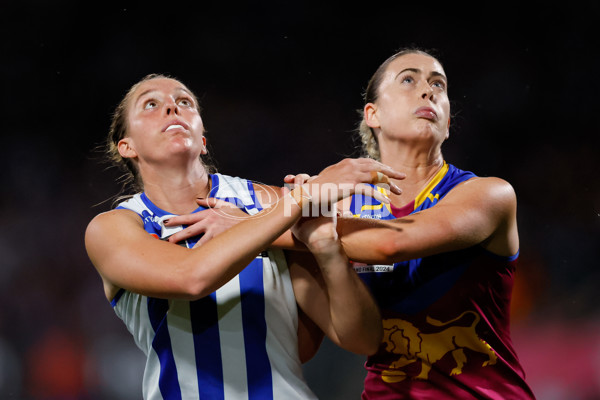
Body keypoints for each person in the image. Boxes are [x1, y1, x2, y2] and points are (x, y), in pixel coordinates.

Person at [83, 73, 406, 400]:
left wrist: (326, 247)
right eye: (151, 104)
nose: (172, 108)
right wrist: (301, 199)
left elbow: (360, 339)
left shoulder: (269, 204)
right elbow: (190, 277)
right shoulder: (114, 228)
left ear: (202, 137)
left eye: (185, 102)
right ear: (127, 146)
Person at [330, 48, 536, 399]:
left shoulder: (489, 194)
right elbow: (353, 338)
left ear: (448, 123)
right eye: (409, 80)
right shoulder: (340, 206)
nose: (429, 91)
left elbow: (390, 244)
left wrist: (281, 223)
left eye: (438, 84)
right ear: (372, 114)